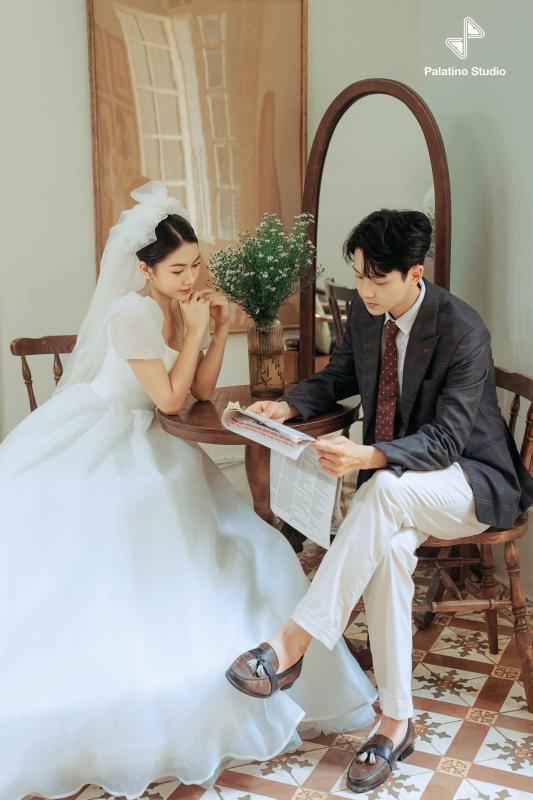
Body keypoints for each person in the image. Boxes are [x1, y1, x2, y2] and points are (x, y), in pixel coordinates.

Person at [0, 182, 377, 800]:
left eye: (196, 265)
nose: (190, 278)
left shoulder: (178, 305)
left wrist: (216, 329)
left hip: (159, 434)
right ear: (144, 269)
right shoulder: (130, 314)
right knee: (156, 539)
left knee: (247, 543)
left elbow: (200, 390)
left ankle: (278, 658)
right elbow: (171, 400)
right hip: (112, 436)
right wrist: (197, 325)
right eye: (177, 269)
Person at [226, 209, 533, 794]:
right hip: (402, 487)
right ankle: (396, 722)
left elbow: (446, 441)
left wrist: (367, 456)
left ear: (415, 273)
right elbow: (339, 375)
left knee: (384, 488)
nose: (365, 290)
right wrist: (288, 406)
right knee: (389, 550)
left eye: (378, 279)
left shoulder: (462, 329)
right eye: (359, 275)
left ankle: (292, 644)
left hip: (469, 478)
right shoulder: (369, 318)